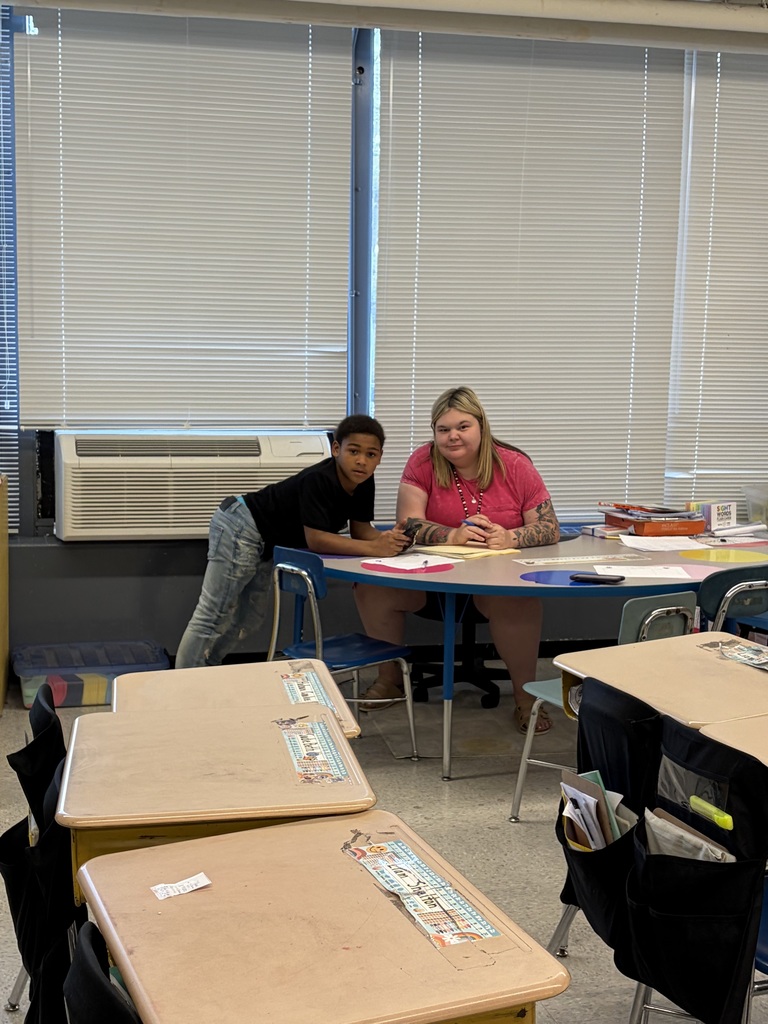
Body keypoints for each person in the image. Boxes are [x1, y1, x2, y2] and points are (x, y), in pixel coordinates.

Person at [354, 387, 560, 733]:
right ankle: (388, 680)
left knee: (520, 602)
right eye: (443, 429)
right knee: (373, 589)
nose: (452, 437)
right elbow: (409, 522)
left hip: (496, 581)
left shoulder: (514, 464)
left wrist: (511, 537)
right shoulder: (422, 461)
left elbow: (549, 526)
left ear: (481, 426)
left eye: (462, 427)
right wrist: (451, 535)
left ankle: (526, 699)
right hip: (430, 582)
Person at [175, 414, 410, 669]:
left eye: (371, 455)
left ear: (380, 457)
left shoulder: (364, 481)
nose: (362, 461)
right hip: (241, 524)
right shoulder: (320, 479)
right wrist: (375, 548)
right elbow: (317, 539)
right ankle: (186, 682)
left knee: (250, 619)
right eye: (354, 451)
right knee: (214, 614)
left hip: (267, 540)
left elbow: (362, 530)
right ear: (336, 449)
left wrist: (391, 540)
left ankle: (207, 666)